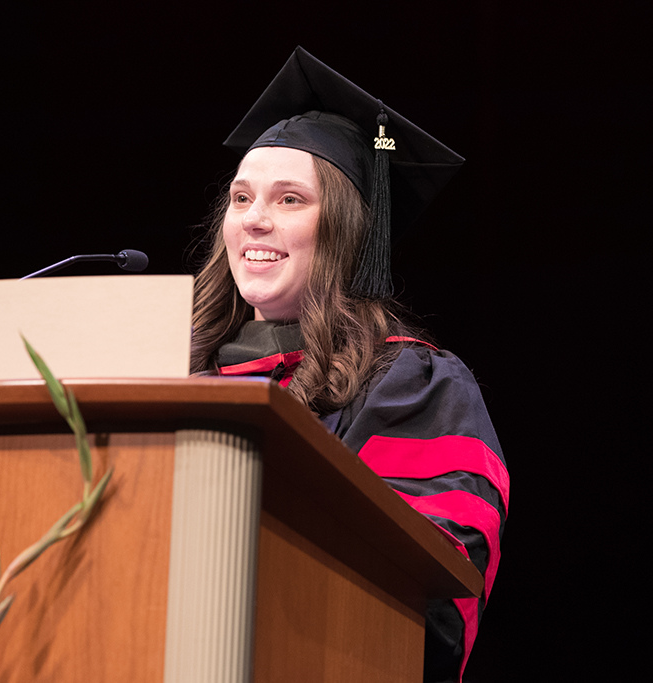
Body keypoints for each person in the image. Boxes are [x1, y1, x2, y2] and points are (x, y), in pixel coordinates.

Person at [190, 48, 508, 683]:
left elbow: (428, 595)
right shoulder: (163, 373)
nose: (254, 218)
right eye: (242, 197)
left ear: (346, 231)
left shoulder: (412, 385)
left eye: (289, 200)